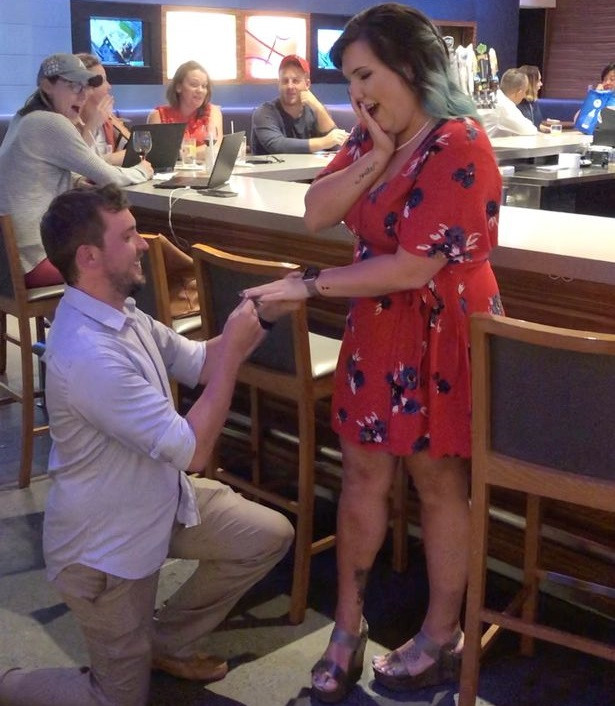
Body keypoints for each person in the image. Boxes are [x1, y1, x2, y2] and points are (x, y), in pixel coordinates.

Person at [242, 3, 504, 702]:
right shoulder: (372, 136)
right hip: (379, 328)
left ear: (410, 66)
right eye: (350, 80)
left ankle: (440, 636)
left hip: (442, 328)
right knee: (361, 474)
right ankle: (347, 627)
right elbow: (315, 212)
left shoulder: (462, 143)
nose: (356, 93)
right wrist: (378, 156)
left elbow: (413, 266)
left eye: (365, 75)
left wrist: (307, 285)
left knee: (438, 482)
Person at [0, 183, 294, 706]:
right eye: (129, 235)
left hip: (158, 502)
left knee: (266, 535)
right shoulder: (90, 354)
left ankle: (161, 643)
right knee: (116, 700)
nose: (143, 244)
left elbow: (201, 362)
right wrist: (232, 355)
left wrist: (262, 313)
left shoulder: (122, 314)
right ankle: (10, 683)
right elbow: (194, 450)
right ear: (89, 257)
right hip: (104, 549)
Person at [0, 53, 152, 288]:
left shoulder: (23, 118)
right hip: (36, 261)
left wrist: (75, 181)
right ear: (46, 86)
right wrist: (143, 170)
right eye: (73, 86)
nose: (83, 95)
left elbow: (39, 174)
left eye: (85, 86)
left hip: (10, 265)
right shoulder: (49, 122)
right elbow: (108, 177)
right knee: (133, 263)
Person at [251, 54, 349, 155]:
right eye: (285, 81)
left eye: (295, 81)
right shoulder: (264, 112)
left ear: (307, 84)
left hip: (309, 166)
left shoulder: (314, 110)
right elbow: (277, 145)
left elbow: (336, 144)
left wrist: (318, 107)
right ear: (279, 84)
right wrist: (324, 142)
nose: (290, 86)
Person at [147, 60, 223, 162]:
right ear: (178, 87)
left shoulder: (213, 112)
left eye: (204, 86)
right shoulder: (158, 116)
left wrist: (180, 154)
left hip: (205, 171)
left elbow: (215, 149)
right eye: (194, 85)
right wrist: (197, 152)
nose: (200, 90)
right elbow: (157, 156)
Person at [76, 52, 132, 165]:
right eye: (103, 80)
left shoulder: (107, 121)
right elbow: (78, 164)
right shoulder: (64, 125)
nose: (109, 86)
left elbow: (137, 149)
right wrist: (92, 125)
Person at [480, 68, 538, 137]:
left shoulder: (494, 96)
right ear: (519, 92)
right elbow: (530, 130)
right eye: (525, 91)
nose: (524, 95)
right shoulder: (505, 107)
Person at [517, 65, 549, 130]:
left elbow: (535, 124)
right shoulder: (516, 104)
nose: (541, 84)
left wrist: (540, 127)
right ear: (529, 83)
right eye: (538, 81)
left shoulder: (533, 102)